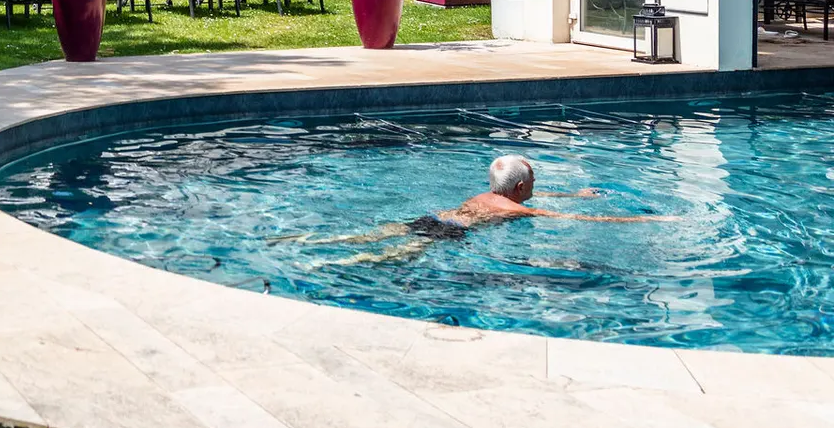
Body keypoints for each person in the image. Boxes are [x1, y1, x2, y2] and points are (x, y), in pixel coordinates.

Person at [277, 155, 672, 264]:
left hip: (435, 217)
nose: (536, 189)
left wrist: (577, 195)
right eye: (532, 183)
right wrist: (643, 219)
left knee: (379, 236)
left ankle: (310, 240)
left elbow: (551, 201)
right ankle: (329, 265)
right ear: (519, 188)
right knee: (388, 257)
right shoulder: (517, 211)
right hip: (450, 233)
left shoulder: (487, 198)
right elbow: (572, 221)